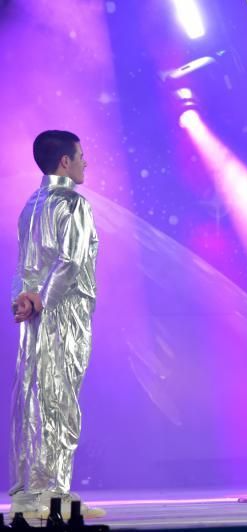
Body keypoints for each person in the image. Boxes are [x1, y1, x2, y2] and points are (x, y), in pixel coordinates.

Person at [9, 130, 101, 518]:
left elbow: (24, 266)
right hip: (63, 311)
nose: (84, 162)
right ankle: (53, 496)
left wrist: (24, 299)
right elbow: (71, 262)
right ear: (64, 161)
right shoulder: (73, 204)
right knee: (60, 402)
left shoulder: (31, 206)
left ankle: (34, 491)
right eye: (80, 155)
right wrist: (42, 298)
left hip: (35, 312)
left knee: (36, 399)